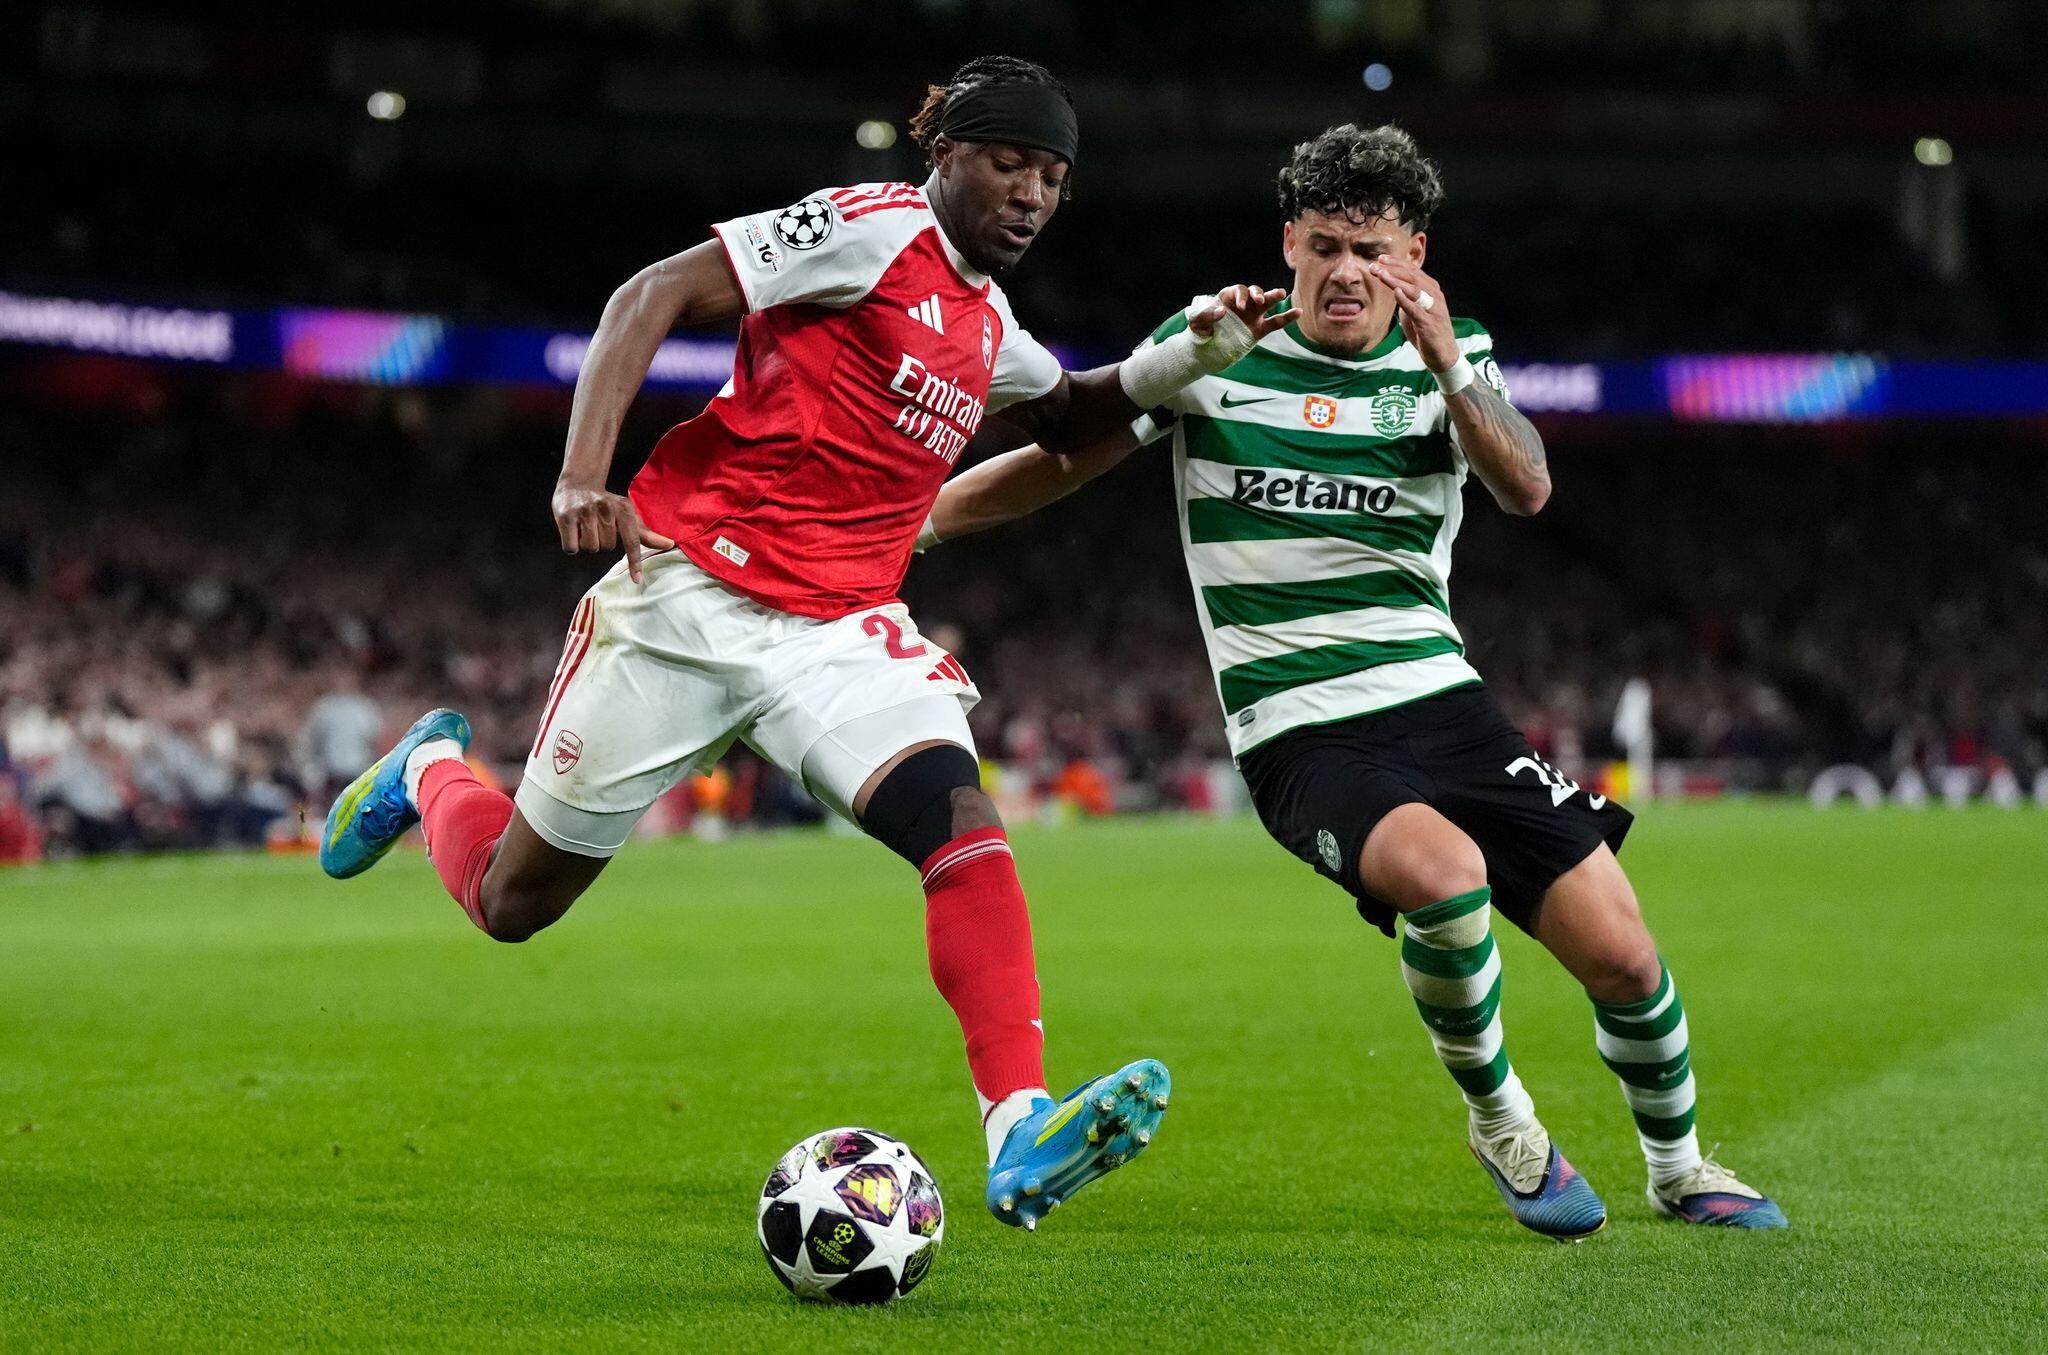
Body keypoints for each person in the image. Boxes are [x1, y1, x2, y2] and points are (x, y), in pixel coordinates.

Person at [318, 56, 1291, 1231]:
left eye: (1051, 177)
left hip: (837, 630)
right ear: (943, 155)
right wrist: (582, 475)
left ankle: (1018, 1123)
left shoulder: (987, 325)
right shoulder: (868, 229)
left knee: (962, 825)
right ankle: (429, 765)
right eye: (1007, 163)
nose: (1031, 194)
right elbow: (648, 294)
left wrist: (1190, 353)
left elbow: (1072, 414)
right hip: (688, 601)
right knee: (510, 900)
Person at [921, 123, 1787, 1237]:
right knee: (1445, 875)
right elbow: (1059, 459)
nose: (1344, 272)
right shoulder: (1217, 347)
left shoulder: (1453, 356)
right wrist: (914, 526)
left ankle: (1679, 1168)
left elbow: (1526, 487)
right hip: (1298, 725)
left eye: (1371, 250)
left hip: (1443, 703)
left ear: (1413, 257)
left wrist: (1448, 365)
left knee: (1622, 952)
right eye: (1324, 245)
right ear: (1288, 242)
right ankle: (1503, 1122)